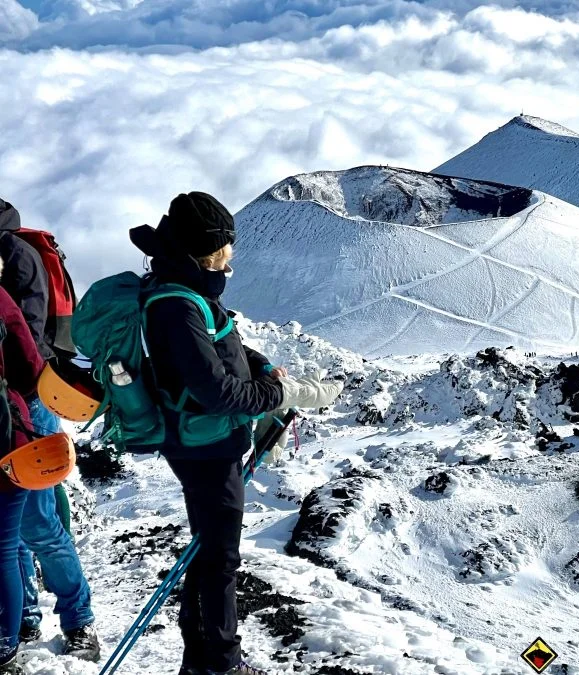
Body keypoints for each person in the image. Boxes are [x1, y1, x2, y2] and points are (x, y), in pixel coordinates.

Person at [130, 192, 342, 675]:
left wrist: (263, 368)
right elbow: (218, 393)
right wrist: (279, 395)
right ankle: (220, 664)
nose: (234, 254)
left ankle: (200, 658)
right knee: (218, 559)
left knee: (207, 551)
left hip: (207, 441)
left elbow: (225, 350)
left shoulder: (188, 288)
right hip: (203, 446)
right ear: (210, 248)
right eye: (228, 244)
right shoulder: (177, 304)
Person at [0, 199, 97, 660]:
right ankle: (25, 616)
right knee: (11, 522)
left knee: (38, 522)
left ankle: (79, 619)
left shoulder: (17, 254)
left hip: (29, 400)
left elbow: (28, 337)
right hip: (9, 402)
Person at [0, 255, 50, 674]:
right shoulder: (1, 299)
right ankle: (6, 647)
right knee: (5, 546)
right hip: (6, 439)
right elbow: (31, 368)